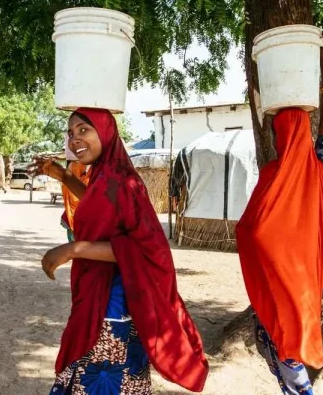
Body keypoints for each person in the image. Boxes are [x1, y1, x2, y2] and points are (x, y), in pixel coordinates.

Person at [32, 108, 208, 395]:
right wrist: (62, 175)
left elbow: (143, 247)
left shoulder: (120, 180)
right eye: (71, 133)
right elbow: (101, 208)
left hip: (113, 306)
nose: (75, 138)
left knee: (101, 379)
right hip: (106, 295)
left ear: (106, 132)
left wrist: (75, 248)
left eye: (83, 130)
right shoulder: (105, 176)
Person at [235, 37, 323, 395]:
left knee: (283, 345)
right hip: (305, 279)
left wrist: (258, 77)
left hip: (281, 280)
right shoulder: (322, 167)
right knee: (286, 339)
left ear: (279, 137)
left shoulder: (272, 174)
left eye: (278, 133)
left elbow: (251, 230)